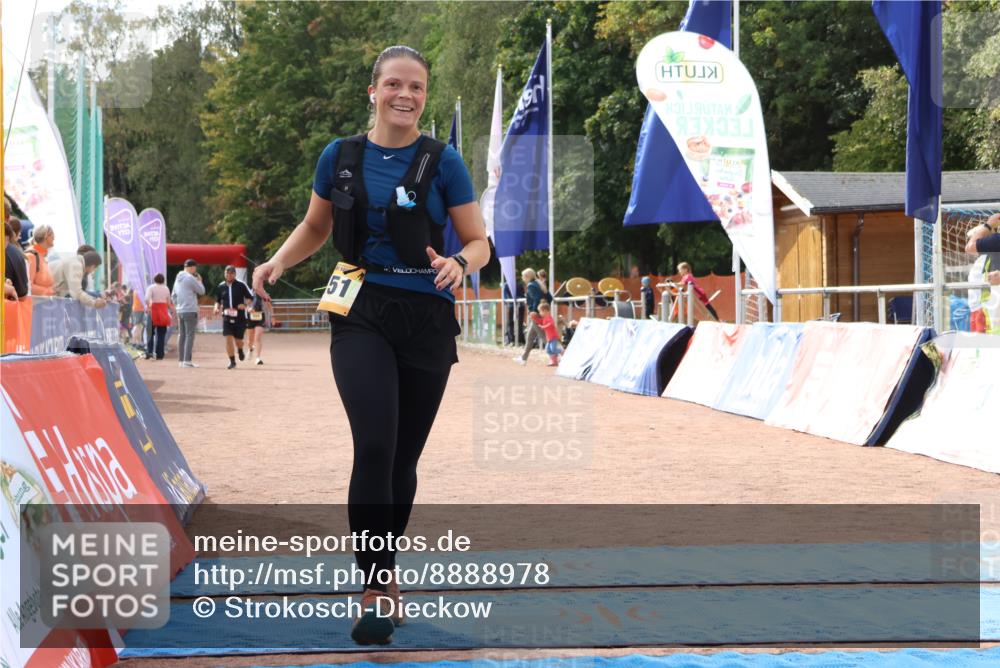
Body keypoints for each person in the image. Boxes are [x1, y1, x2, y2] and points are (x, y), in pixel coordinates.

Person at [252, 45, 488, 645]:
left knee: (404, 458)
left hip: (427, 315)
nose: (405, 96)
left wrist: (461, 262)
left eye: (416, 87)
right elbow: (316, 225)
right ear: (373, 91)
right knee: (376, 443)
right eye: (393, 85)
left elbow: (478, 240)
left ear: (424, 97)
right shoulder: (341, 156)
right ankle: (375, 587)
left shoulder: (444, 161)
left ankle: (387, 577)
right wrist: (278, 261)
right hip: (359, 307)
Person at [214, 265, 254, 369]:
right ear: (224, 274)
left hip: (240, 317)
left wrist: (244, 305)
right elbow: (218, 301)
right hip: (226, 316)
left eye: (231, 273)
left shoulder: (241, 285)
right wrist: (216, 308)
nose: (229, 275)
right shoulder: (221, 286)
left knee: (238, 341)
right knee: (228, 338)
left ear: (235, 274)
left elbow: (250, 298)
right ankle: (232, 362)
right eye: (227, 273)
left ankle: (240, 350)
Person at [173, 259, 206, 367]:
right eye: (195, 268)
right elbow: (202, 291)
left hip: (180, 310)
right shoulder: (190, 278)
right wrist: (200, 281)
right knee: (190, 335)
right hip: (190, 310)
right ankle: (187, 360)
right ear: (192, 267)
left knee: (181, 334)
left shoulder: (177, 278)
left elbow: (173, 295)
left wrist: (178, 305)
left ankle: (181, 360)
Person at [514, 268, 544, 365]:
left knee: (544, 336)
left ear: (527, 276)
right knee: (530, 336)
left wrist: (534, 310)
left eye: (523, 276)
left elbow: (536, 299)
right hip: (537, 313)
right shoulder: (538, 283)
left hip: (535, 314)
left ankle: (560, 354)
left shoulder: (531, 285)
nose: (522, 278)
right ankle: (523, 358)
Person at [144, 273, 173, 360]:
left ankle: (149, 352)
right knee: (161, 333)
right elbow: (168, 302)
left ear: (154, 279)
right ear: (163, 280)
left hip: (153, 310)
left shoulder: (151, 287)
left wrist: (148, 306)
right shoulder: (166, 288)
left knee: (150, 332)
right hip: (163, 310)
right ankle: (160, 353)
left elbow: (146, 298)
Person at [24, 224, 56, 296]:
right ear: (46, 236)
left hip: (43, 304)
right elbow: (28, 286)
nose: (54, 237)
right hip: (35, 305)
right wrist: (49, 291)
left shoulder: (40, 255)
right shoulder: (31, 256)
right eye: (52, 234)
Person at [529, 302, 562, 366]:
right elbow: (540, 322)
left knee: (553, 349)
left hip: (553, 337)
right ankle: (554, 361)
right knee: (548, 350)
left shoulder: (549, 318)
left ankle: (562, 352)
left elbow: (551, 324)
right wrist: (534, 318)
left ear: (546, 311)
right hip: (549, 338)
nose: (540, 313)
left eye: (541, 311)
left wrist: (544, 327)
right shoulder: (544, 319)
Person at [246, 290, 273, 365]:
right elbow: (246, 304)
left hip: (260, 317)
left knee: (257, 338)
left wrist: (273, 316)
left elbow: (269, 305)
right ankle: (251, 349)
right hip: (250, 316)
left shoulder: (264, 293)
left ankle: (258, 358)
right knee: (250, 340)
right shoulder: (248, 292)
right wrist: (249, 307)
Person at [4, 221, 29, 300]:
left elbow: (22, 294)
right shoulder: (16, 254)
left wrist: (5, 282)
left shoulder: (14, 254)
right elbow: (22, 295)